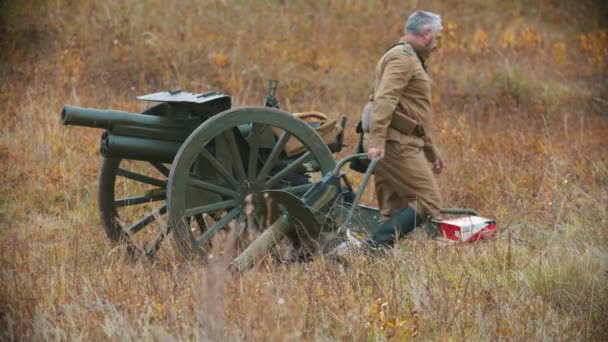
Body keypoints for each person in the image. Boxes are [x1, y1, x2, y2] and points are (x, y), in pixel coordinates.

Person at [364, 10, 444, 246]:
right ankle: (371, 249)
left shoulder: (408, 58)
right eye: (437, 37)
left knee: (393, 208)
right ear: (426, 33)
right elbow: (385, 99)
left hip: (395, 141)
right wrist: (377, 142)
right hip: (396, 145)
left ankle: (376, 261)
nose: (437, 44)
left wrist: (431, 152)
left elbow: (412, 114)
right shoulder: (403, 58)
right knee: (429, 202)